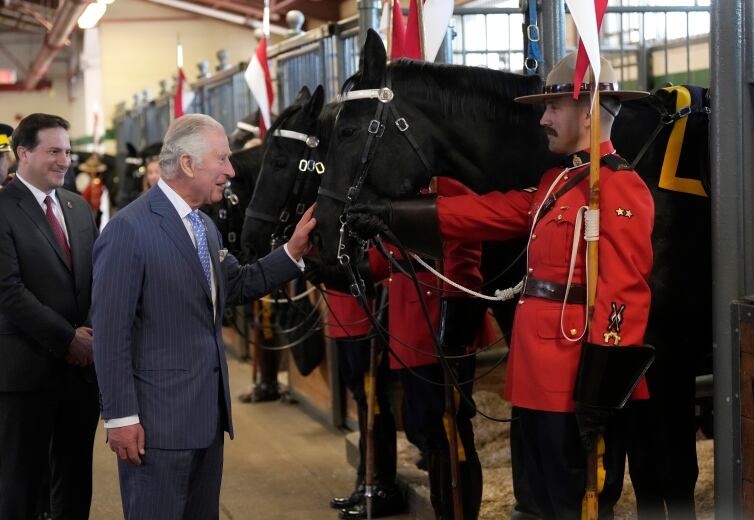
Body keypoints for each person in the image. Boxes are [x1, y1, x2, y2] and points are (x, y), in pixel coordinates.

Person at [348, 53, 655, 519]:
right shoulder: (557, 181)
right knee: (534, 499)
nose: (544, 119)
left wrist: (602, 386)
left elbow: (625, 295)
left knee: (572, 500)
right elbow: (492, 212)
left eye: (553, 109)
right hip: (535, 373)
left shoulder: (618, 188)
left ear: (589, 111)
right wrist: (393, 217)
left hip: (575, 375)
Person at [91, 114, 316, 520]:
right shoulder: (129, 230)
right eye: (223, 159)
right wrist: (121, 418)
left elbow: (239, 285)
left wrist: (293, 252)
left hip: (206, 422)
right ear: (190, 164)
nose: (231, 170)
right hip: (156, 428)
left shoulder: (204, 228)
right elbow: (110, 335)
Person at [0, 113, 100, 519]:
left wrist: (89, 336)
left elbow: (95, 279)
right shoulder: (3, 208)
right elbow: (8, 292)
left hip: (80, 375)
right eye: (54, 151)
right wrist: (68, 339)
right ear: (23, 153)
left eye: (68, 151)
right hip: (25, 373)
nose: (65, 160)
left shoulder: (78, 208)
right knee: (20, 485)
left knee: (75, 479)